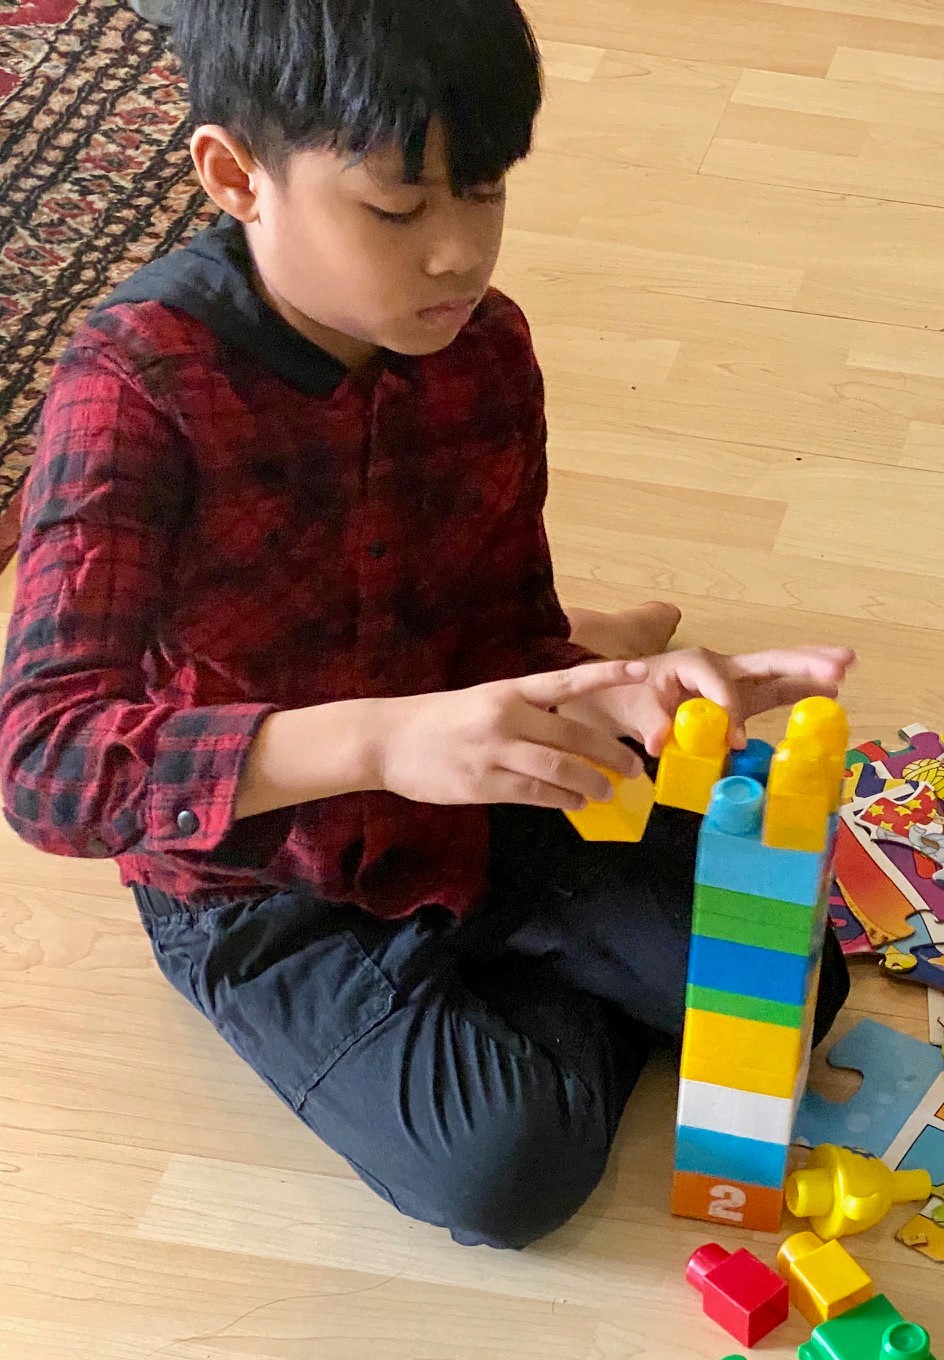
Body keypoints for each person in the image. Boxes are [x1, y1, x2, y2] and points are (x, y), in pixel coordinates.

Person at [0, 0, 854, 1251]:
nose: (459, 254)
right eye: (397, 211)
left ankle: (484, 970)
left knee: (796, 982)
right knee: (511, 1168)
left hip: (472, 773)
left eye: (487, 192)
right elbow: (46, 761)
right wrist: (385, 741)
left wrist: (607, 689)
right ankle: (485, 985)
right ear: (235, 175)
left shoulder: (485, 350)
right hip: (253, 871)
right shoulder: (133, 392)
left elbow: (504, 634)